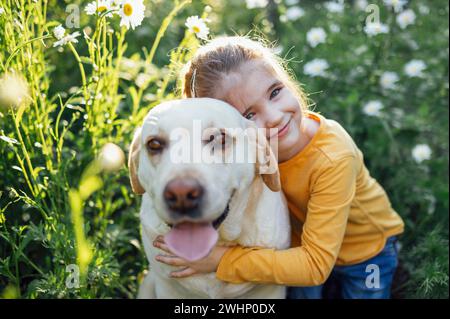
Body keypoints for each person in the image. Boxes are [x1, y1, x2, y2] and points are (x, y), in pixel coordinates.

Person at [153, 36, 404, 299]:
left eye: (275, 92)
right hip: (298, 247)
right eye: (249, 115)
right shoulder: (237, 154)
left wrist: (223, 260)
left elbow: (315, 266)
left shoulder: (333, 157)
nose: (274, 117)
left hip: (365, 251)